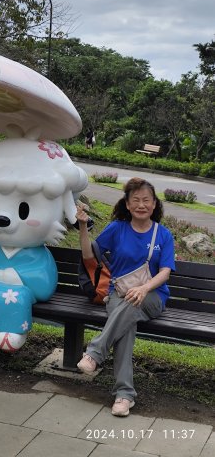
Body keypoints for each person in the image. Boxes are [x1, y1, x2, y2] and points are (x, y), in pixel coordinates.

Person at [75, 177, 175, 417]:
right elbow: (90, 255)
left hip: (153, 296)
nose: (142, 205)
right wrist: (82, 227)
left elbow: (165, 272)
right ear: (128, 205)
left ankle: (96, 353)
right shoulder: (117, 228)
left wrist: (144, 289)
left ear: (154, 204)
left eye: (146, 200)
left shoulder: (163, 235)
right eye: (136, 200)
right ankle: (124, 396)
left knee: (130, 308)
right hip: (119, 294)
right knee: (126, 327)